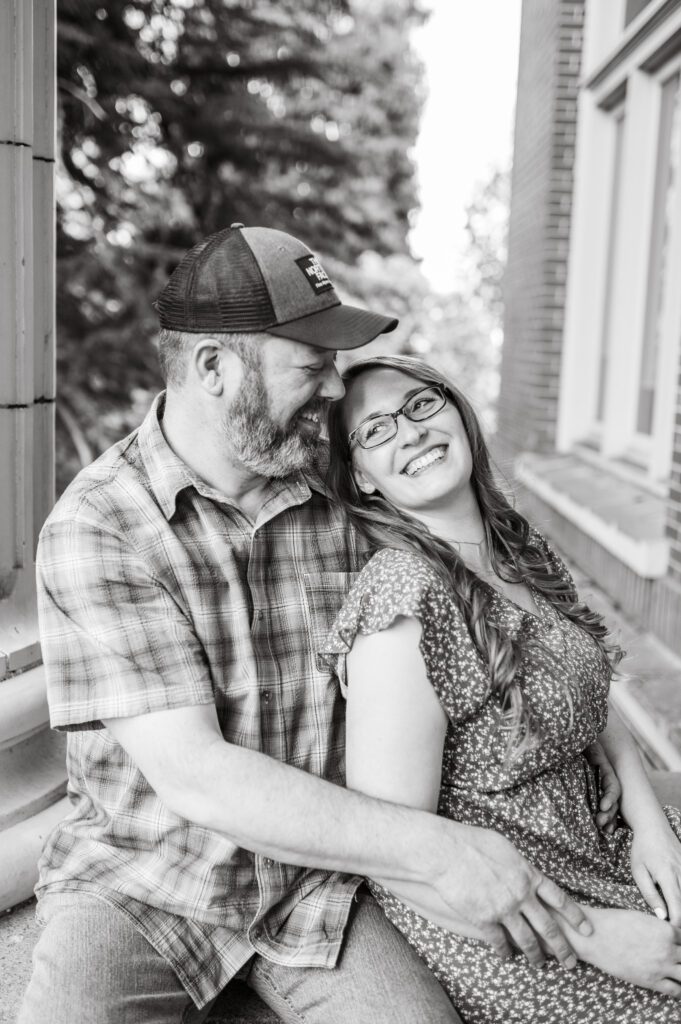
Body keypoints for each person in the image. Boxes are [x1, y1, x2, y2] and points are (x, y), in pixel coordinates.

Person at [21, 225, 600, 1024]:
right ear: (215, 368)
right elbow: (195, 775)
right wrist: (440, 851)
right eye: (310, 363)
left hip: (322, 883)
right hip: (145, 878)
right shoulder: (101, 525)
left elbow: (505, 603)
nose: (334, 389)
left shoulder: (344, 490)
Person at [321, 353, 681, 1024]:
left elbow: (587, 690)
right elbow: (394, 849)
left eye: (421, 405)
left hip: (598, 848)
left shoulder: (514, 544)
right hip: (515, 923)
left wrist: (651, 825)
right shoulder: (405, 595)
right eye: (374, 430)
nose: (409, 431)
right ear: (361, 479)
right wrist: (597, 939)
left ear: (456, 409)